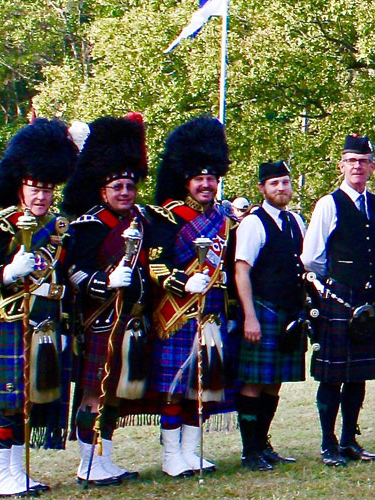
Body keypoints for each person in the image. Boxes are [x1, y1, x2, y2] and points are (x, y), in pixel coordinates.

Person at [0, 119, 77, 496]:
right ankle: (0, 475)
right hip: (10, 320)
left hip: (45, 323)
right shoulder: (1, 225)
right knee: (8, 401)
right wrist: (6, 272)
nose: (41, 196)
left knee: (30, 402)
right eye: (36, 187)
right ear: (21, 184)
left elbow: (59, 280)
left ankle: (17, 473)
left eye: (48, 189)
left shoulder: (58, 227)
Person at [59, 114, 154, 486]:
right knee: (94, 392)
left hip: (132, 320)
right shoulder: (88, 225)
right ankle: (87, 462)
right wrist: (106, 282)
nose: (125, 192)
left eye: (130, 185)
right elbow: (74, 273)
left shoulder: (143, 222)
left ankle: (105, 458)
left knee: (115, 393)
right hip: (98, 318)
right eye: (117, 186)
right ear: (103, 190)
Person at [144, 117, 237, 478]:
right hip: (177, 312)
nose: (206, 184)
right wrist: (183, 283)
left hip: (212, 311)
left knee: (203, 384)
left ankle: (191, 451)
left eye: (212, 178)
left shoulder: (225, 219)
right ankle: (171, 455)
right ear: (187, 180)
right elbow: (155, 264)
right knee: (174, 387)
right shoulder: (166, 217)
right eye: (200, 179)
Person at [300, 135, 375, 466]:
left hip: (368, 300)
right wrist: (337, 280)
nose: (358, 166)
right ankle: (328, 443)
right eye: (351, 161)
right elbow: (312, 256)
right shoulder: (329, 204)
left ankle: (349, 441)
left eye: (364, 161)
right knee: (332, 376)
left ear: (372, 167)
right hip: (338, 299)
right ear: (341, 165)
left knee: (358, 375)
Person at [229, 158, 310, 473]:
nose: (281, 188)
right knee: (253, 382)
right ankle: (250, 451)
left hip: (289, 311)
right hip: (263, 310)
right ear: (262, 188)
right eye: (274, 183)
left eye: (285, 182)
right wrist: (249, 316)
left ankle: (263, 444)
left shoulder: (295, 221)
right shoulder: (253, 222)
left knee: (274, 382)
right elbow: (241, 271)